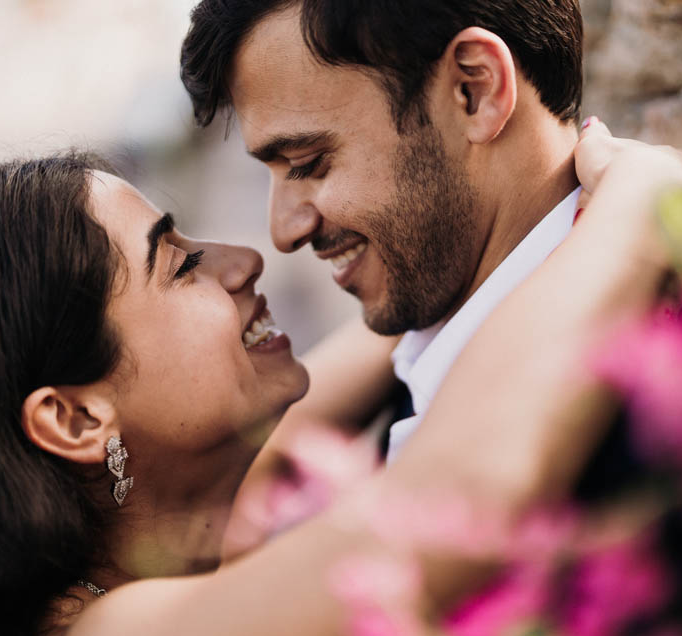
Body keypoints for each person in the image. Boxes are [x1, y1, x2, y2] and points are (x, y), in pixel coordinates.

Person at [0, 124, 682, 636]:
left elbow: (348, 370)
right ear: (76, 416)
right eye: (180, 263)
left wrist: (475, 221)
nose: (244, 260)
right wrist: (640, 203)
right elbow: (455, 503)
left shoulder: (194, 558)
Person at [181, 0, 592, 461]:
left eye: (307, 164)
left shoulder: (657, 397)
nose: (283, 233)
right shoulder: (423, 369)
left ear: (474, 91)